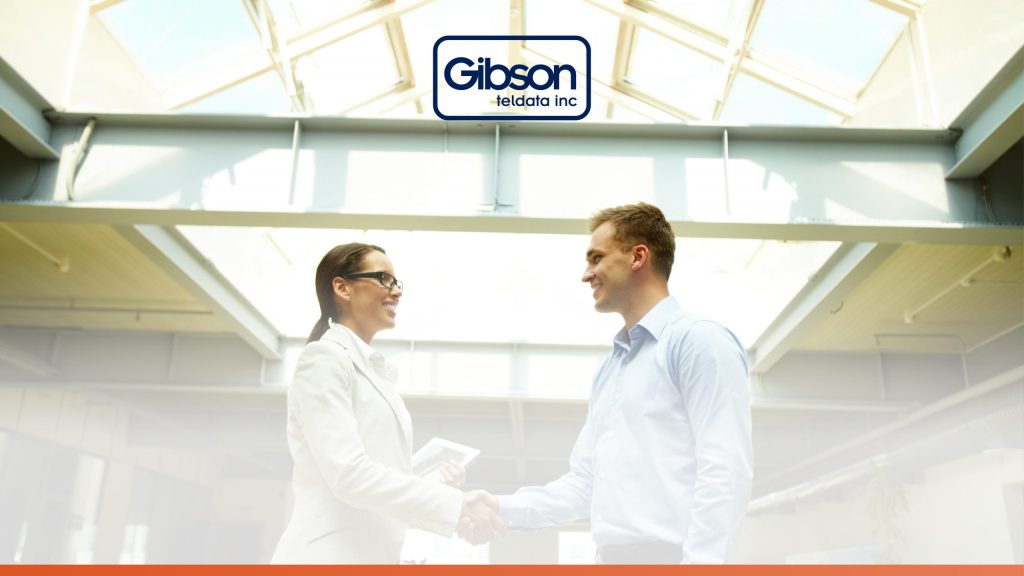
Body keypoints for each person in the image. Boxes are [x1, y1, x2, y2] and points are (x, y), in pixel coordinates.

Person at [461, 202, 753, 563]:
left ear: (638, 256)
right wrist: (502, 506)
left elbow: (725, 470)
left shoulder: (699, 342)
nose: (587, 274)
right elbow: (585, 484)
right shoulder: (612, 369)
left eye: (596, 258)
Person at [272, 242, 503, 564]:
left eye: (396, 283)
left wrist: (433, 484)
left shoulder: (375, 373)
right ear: (342, 287)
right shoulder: (323, 358)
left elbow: (376, 493)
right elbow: (349, 476)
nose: (396, 291)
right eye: (384, 278)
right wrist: (456, 505)